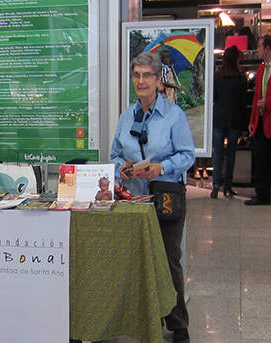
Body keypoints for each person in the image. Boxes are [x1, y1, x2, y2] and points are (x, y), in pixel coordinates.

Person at [110, 52, 195, 343]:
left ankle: (178, 324)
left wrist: (161, 167)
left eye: (147, 75)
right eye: (137, 75)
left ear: (159, 81)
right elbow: (115, 154)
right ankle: (143, 319)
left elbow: (187, 156)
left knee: (168, 260)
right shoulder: (125, 116)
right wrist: (121, 167)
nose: (141, 81)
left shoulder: (175, 116)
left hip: (166, 197)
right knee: (136, 260)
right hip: (133, 199)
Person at [211, 45, 247, 198]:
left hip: (219, 117)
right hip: (234, 118)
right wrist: (245, 125)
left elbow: (215, 99)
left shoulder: (217, 77)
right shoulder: (241, 79)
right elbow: (243, 103)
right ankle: (228, 186)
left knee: (218, 153)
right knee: (231, 153)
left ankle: (215, 186)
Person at [246, 35, 271, 206]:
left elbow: (263, 99)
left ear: (268, 49)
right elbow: (256, 97)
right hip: (262, 122)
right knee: (261, 159)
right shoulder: (261, 69)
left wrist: (267, 102)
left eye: (260, 47)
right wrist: (253, 120)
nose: (257, 50)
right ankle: (261, 194)